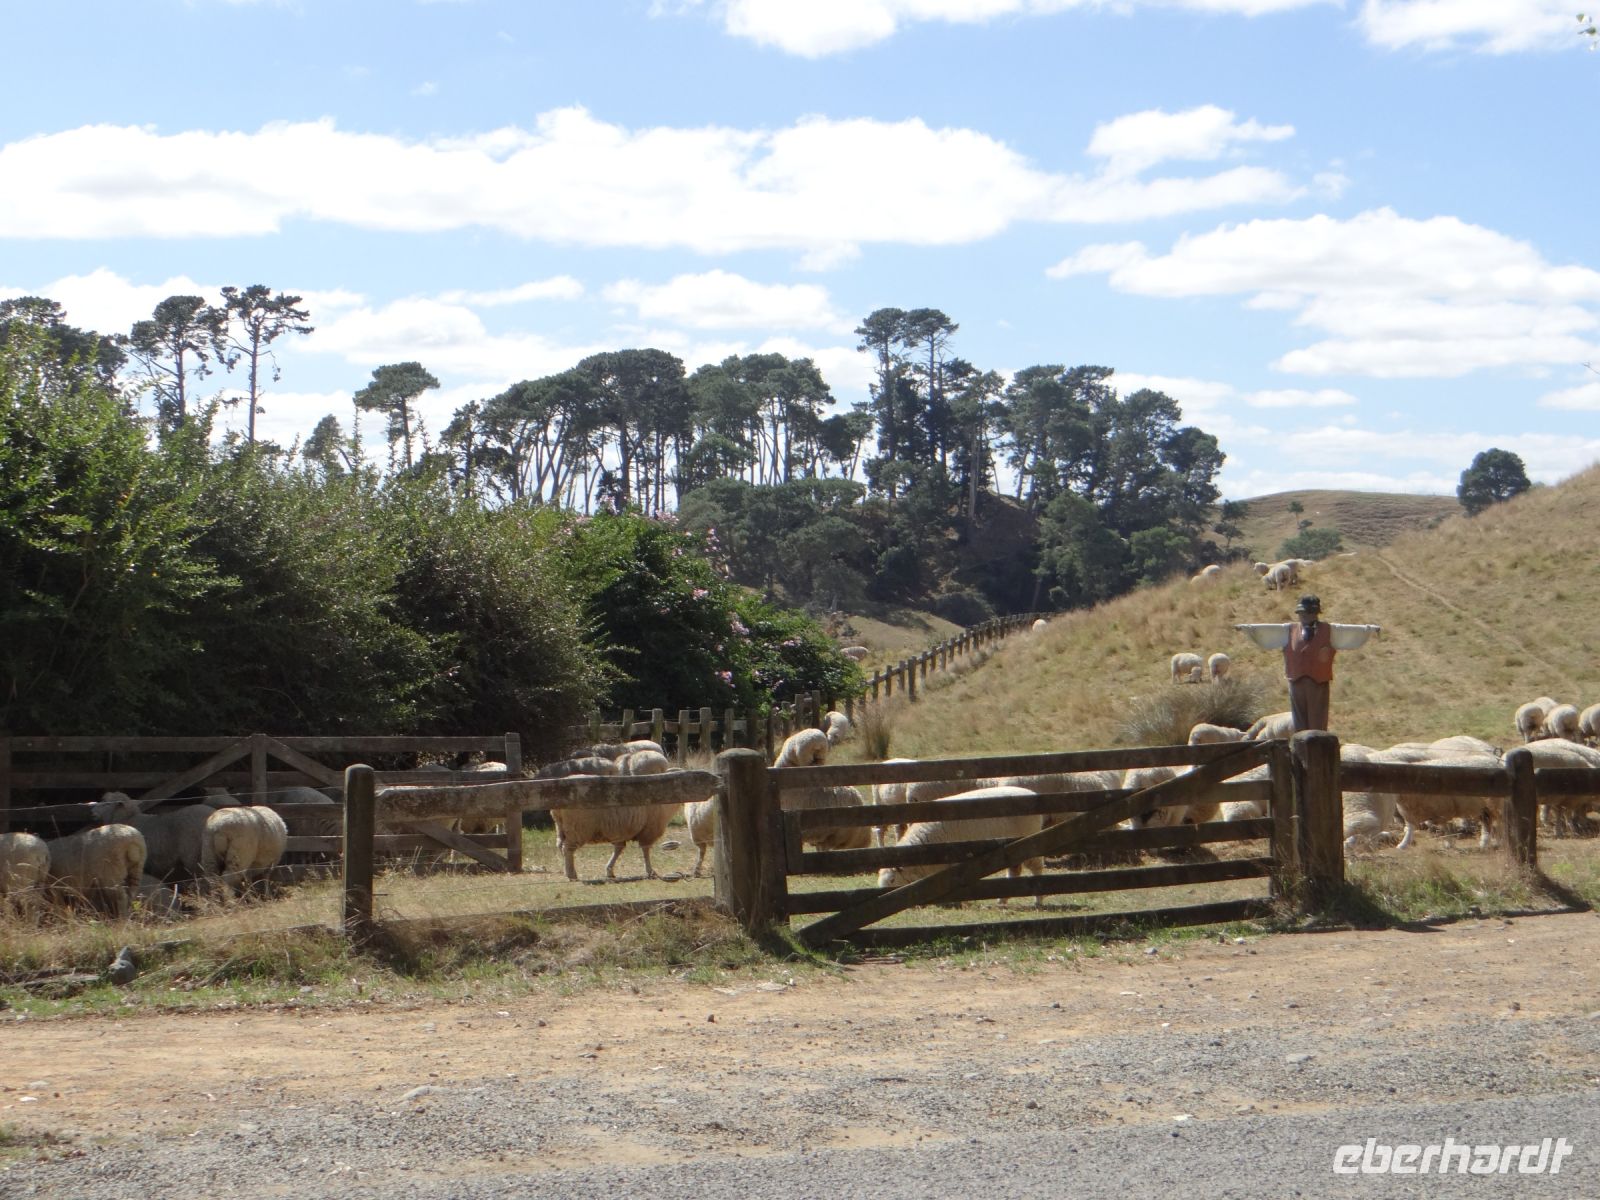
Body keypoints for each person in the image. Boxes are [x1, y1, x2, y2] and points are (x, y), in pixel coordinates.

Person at [1236, 595, 1380, 732]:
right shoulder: (1289, 630)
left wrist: (1370, 629)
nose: (1304, 616)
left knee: (1318, 724)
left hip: (1319, 683)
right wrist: (1247, 628)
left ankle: (1318, 749)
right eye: (1302, 613)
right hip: (1296, 683)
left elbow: (1349, 631)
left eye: (1308, 613)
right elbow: (1267, 630)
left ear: (1316, 614)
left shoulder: (1329, 630)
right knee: (1299, 724)